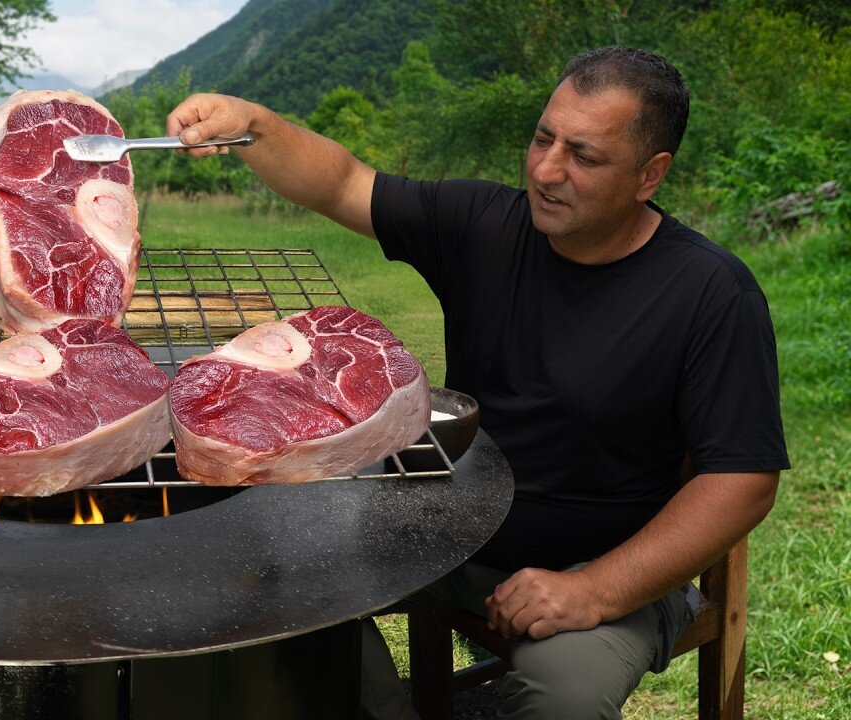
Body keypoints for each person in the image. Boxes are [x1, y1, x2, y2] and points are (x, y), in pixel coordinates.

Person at [166, 46, 788, 719]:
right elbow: (344, 182)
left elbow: (743, 481)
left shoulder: (709, 292)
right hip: (444, 530)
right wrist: (253, 124)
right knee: (264, 583)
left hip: (607, 567)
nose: (546, 170)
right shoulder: (482, 223)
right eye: (543, 139)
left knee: (563, 700)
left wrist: (594, 591)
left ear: (650, 174)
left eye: (583, 156)